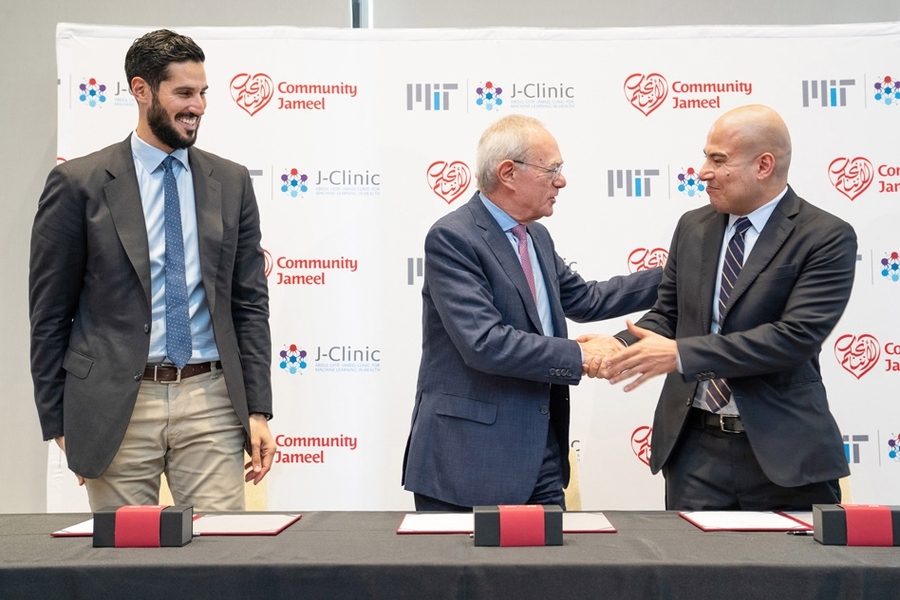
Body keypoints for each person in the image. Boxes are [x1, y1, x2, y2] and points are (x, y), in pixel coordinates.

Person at [29, 29, 274, 511]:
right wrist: (59, 421)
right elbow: (49, 314)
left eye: (202, 92)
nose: (198, 106)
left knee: (222, 550)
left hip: (211, 401)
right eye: (183, 93)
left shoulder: (231, 181)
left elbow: (249, 304)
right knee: (124, 555)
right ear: (141, 90)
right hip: (115, 405)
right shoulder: (78, 183)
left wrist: (258, 409)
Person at [595, 104, 855, 511]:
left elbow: (795, 338)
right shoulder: (692, 226)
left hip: (784, 454)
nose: (703, 172)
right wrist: (619, 345)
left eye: (718, 160)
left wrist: (682, 355)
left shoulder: (825, 236)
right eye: (705, 157)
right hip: (694, 452)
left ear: (763, 165)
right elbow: (669, 314)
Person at [401, 114, 663, 511]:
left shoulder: (535, 235)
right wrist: (581, 354)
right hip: (469, 460)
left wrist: (678, 272)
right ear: (508, 173)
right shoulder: (454, 237)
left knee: (552, 554)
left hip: (541, 455)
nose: (562, 181)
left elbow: (587, 299)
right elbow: (485, 343)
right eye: (552, 170)